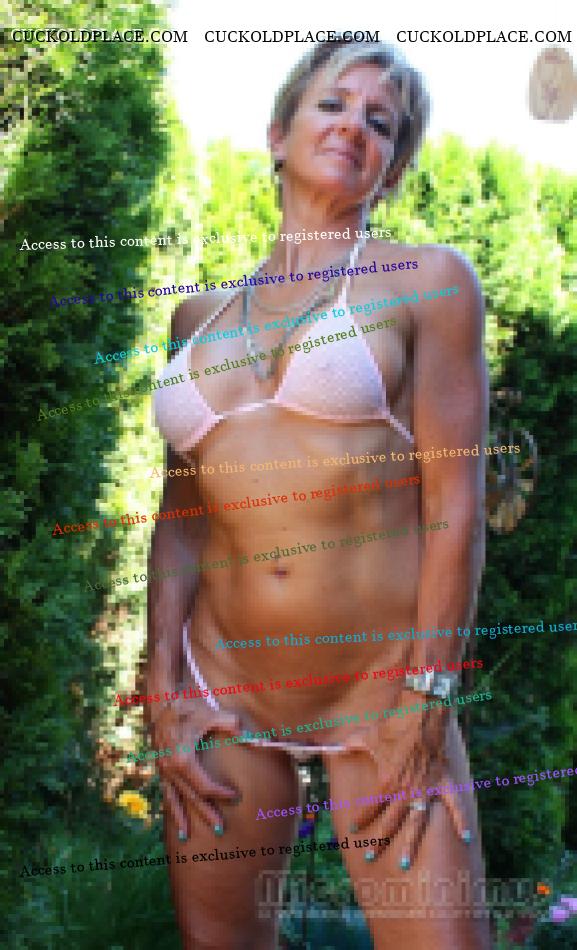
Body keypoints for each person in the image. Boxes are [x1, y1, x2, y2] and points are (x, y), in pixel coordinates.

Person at [147, 38, 490, 949]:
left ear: (393, 167)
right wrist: (160, 681)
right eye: (332, 105)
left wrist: (426, 692)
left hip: (379, 689)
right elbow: (181, 520)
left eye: (380, 122)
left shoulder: (429, 283)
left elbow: (454, 508)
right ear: (277, 132)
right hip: (223, 686)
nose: (352, 128)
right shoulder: (196, 318)